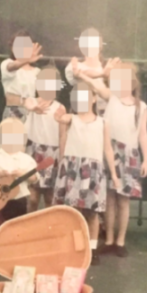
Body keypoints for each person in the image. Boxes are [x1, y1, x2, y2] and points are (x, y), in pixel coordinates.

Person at [76, 61, 147, 258]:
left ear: (133, 83)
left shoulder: (141, 107)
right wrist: (81, 75)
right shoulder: (112, 98)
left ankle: (120, 241)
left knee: (123, 200)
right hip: (109, 152)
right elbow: (97, 86)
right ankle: (108, 239)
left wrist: (146, 160)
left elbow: (143, 134)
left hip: (129, 155)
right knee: (108, 198)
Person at [53, 81, 119, 265]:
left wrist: (113, 173)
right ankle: (71, 247)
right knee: (71, 212)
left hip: (93, 171)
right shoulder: (71, 119)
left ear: (94, 99)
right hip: (73, 168)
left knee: (92, 213)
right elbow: (62, 123)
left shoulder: (102, 123)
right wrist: (59, 118)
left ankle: (92, 248)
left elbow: (107, 149)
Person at [0, 117, 39, 237]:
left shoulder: (26, 159)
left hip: (19, 200)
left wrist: (22, 173)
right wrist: (0, 173)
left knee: (17, 231)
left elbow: (34, 178)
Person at [23, 66, 65, 212]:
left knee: (49, 198)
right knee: (32, 197)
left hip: (52, 156)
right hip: (34, 153)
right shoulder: (33, 101)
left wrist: (62, 157)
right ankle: (29, 226)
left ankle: (48, 229)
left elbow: (62, 135)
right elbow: (27, 104)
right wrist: (35, 109)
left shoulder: (60, 107)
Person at [64, 28, 112, 117]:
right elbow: (83, 73)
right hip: (82, 120)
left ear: (100, 45)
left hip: (106, 118)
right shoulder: (74, 66)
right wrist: (101, 74)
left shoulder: (108, 67)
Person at [0, 30, 42, 123]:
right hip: (13, 113)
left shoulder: (37, 72)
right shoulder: (6, 63)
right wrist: (26, 60)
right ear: (12, 48)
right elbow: (11, 67)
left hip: (32, 113)